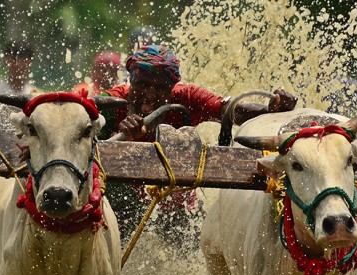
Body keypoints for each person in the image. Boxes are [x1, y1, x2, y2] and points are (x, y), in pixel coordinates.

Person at [98, 44, 297, 247]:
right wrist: (120, 137)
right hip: (122, 204)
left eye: (159, 88)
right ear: (130, 81)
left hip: (177, 207)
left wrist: (271, 109)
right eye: (142, 85)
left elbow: (230, 110)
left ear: (171, 89)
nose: (149, 94)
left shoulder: (188, 98)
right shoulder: (110, 104)